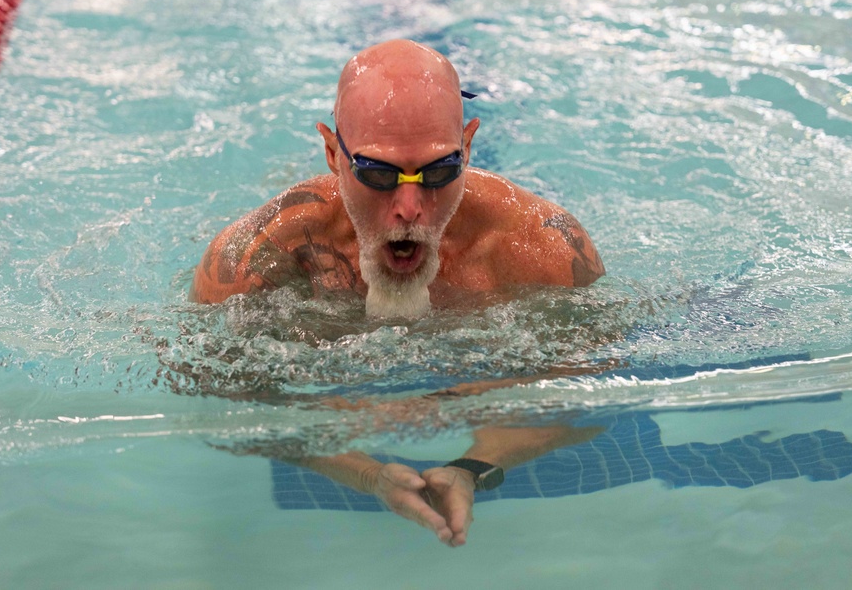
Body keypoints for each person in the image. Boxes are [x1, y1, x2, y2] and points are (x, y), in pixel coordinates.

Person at [190, 39, 605, 546]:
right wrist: (364, 473)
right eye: (379, 174)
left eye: (438, 171)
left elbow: (589, 394)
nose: (409, 207)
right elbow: (215, 391)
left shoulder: (541, 249)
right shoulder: (257, 257)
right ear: (331, 152)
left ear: (468, 148)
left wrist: (473, 467)